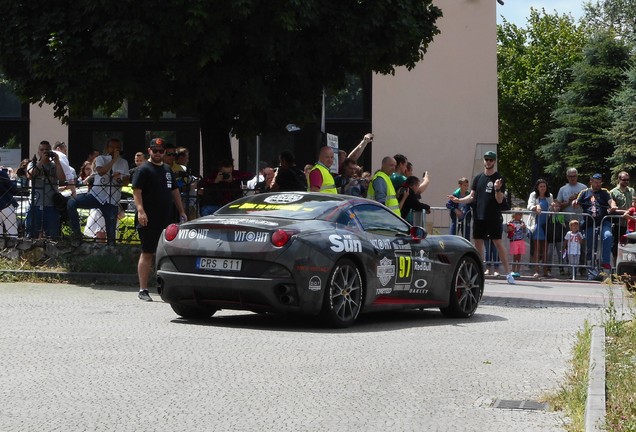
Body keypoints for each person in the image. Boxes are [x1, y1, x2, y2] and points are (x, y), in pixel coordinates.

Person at [448, 150, 515, 284]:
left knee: (498, 243)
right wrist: (458, 201)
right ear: (484, 161)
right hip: (479, 216)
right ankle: (479, 270)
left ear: (494, 161)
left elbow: (500, 200)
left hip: (494, 216)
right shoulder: (478, 178)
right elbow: (472, 196)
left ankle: (508, 273)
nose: (488, 161)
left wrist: (497, 189)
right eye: (486, 159)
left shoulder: (499, 178)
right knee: (478, 242)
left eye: (491, 159)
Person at [133, 138, 187, 301]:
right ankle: (143, 289)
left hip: (166, 218)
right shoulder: (143, 169)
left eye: (161, 151)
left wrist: (182, 211)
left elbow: (175, 191)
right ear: (149, 151)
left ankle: (165, 287)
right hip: (148, 219)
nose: (158, 154)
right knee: (147, 252)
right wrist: (141, 211)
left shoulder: (167, 169)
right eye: (154, 151)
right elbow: (137, 191)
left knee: (165, 254)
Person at [67, 138, 130, 246]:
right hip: (96, 195)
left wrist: (119, 178)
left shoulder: (124, 162)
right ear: (107, 148)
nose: (115, 149)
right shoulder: (101, 158)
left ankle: (110, 252)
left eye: (118, 147)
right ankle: (77, 234)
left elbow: (126, 182)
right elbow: (101, 171)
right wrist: (113, 160)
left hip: (112, 200)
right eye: (112, 147)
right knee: (72, 202)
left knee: (111, 235)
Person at [572, 173, 617, 274]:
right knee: (590, 242)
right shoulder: (584, 192)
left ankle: (605, 262)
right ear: (591, 181)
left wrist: (613, 206)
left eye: (599, 183)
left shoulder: (605, 192)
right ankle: (590, 263)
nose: (598, 184)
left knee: (608, 236)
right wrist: (574, 203)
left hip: (603, 221)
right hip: (589, 223)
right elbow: (576, 203)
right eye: (596, 182)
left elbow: (611, 201)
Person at [26, 141, 66, 239]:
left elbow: (62, 178)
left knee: (53, 236)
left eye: (47, 150)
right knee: (32, 235)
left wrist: (57, 160)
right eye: (42, 150)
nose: (44, 152)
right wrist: (41, 162)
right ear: (38, 152)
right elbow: (30, 175)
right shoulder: (33, 164)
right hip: (35, 204)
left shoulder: (54, 165)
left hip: (51, 205)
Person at [527, 178, 556, 278]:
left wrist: (553, 207)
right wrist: (536, 207)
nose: (543, 188)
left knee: (545, 249)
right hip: (537, 223)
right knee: (537, 248)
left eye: (544, 186)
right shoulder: (533, 195)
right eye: (541, 186)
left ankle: (545, 270)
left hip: (546, 224)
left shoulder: (550, 196)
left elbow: (552, 208)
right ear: (537, 187)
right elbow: (529, 206)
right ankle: (536, 270)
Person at [609, 171, 634, 261]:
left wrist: (631, 212)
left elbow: (633, 204)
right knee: (616, 244)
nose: (626, 182)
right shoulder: (613, 192)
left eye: (627, 180)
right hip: (618, 223)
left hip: (630, 223)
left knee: (629, 245)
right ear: (619, 179)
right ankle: (615, 266)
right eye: (624, 180)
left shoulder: (631, 191)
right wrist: (625, 212)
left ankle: (627, 266)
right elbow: (611, 209)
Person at [507, 209, 527, 277]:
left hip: (520, 240)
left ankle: (518, 271)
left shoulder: (522, 222)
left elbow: (524, 231)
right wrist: (515, 227)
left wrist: (524, 227)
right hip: (514, 240)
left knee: (519, 256)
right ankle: (513, 270)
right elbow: (509, 229)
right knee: (514, 256)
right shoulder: (511, 222)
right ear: (514, 215)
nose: (520, 216)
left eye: (521, 214)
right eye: (519, 214)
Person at [0, 167, 18, 236]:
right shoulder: (2, 174)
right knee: (12, 232)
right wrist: (12, 177)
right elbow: (13, 189)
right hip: (5, 204)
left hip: (5, 204)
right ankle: (13, 246)